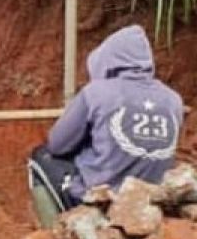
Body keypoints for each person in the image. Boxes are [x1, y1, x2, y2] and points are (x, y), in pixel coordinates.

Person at [28, 25, 184, 227]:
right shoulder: (173, 100)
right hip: (152, 202)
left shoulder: (96, 93)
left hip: (104, 197)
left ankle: (55, 237)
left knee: (40, 157)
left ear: (107, 60)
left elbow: (57, 144)